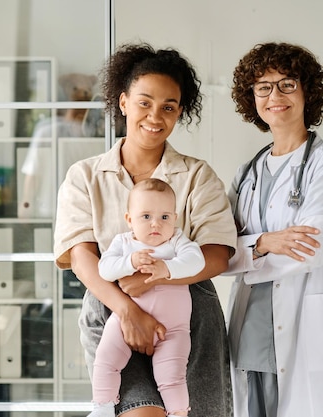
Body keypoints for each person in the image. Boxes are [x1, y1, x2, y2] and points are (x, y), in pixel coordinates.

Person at [53, 42, 237, 417]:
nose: (155, 115)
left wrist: (155, 279)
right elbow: (81, 256)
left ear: (179, 112)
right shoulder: (85, 176)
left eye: (169, 106)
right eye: (144, 102)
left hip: (188, 320)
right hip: (111, 313)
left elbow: (217, 254)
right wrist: (127, 309)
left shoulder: (198, 175)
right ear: (123, 102)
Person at [225, 42, 323, 417]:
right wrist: (265, 243)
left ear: (307, 92)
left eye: (287, 84)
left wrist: (247, 252)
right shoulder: (246, 172)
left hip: (304, 320)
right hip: (249, 327)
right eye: (263, 87)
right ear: (252, 98)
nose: (274, 96)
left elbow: (310, 249)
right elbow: (217, 253)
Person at [90, 178, 205, 417]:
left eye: (165, 217)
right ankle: (103, 407)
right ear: (129, 220)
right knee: (105, 359)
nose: (156, 224)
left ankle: (179, 413)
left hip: (172, 329)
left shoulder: (177, 242)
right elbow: (105, 269)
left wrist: (167, 269)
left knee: (172, 375)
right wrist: (129, 262)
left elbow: (197, 261)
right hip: (126, 321)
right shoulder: (124, 243)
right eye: (146, 217)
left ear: (174, 218)